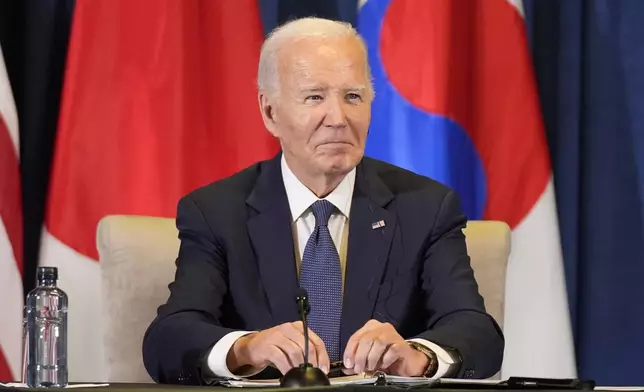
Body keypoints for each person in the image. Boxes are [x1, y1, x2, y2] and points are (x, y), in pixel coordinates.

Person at [141, 17, 504, 385]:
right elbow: (168, 339)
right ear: (270, 112)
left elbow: (477, 332)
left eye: (353, 96)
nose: (338, 118)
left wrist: (419, 356)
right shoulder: (217, 212)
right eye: (314, 96)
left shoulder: (425, 207)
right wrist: (245, 348)